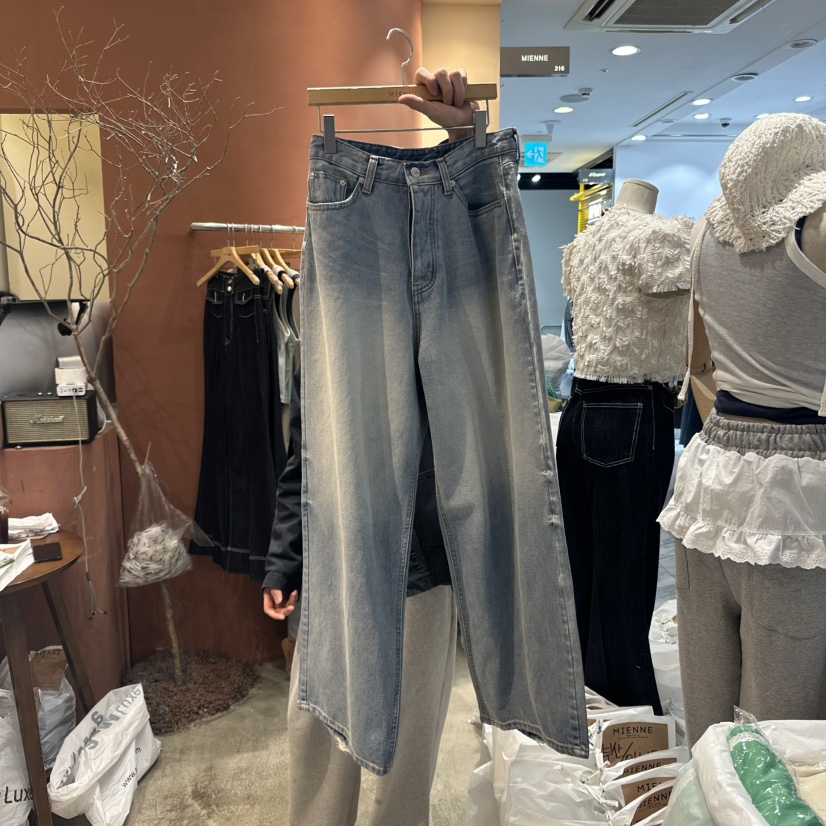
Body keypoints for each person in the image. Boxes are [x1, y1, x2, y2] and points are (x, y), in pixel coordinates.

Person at [263, 370, 456, 826]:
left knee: (412, 739)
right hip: (339, 555)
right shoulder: (324, 343)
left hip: (424, 555)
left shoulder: (439, 324)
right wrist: (283, 562)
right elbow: (303, 463)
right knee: (317, 723)